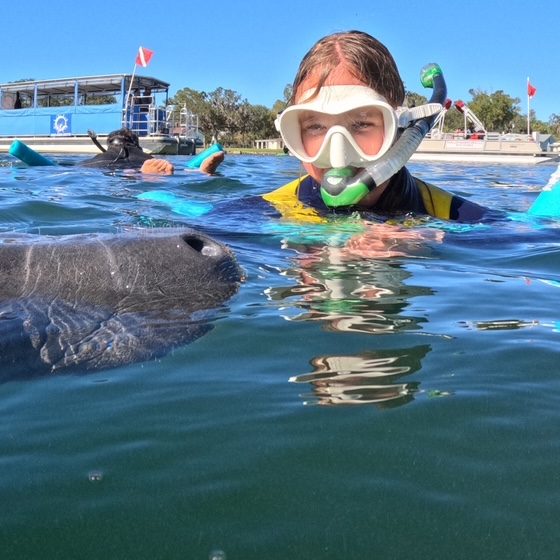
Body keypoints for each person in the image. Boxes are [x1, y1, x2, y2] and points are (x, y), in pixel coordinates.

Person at [265, 30, 491, 223]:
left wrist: (427, 244)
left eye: (362, 124)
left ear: (401, 129)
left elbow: (521, 240)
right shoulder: (269, 211)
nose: (338, 156)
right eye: (315, 127)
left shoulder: (448, 215)